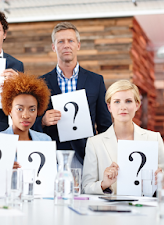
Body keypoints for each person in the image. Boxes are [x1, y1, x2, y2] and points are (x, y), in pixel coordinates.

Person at [33, 22, 112, 169]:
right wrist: (43, 120)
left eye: (70, 41)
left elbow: (105, 125)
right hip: (52, 156)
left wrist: (105, 158)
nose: (66, 45)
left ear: (78, 45)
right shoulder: (40, 83)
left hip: (86, 156)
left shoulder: (96, 81)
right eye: (61, 41)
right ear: (53, 47)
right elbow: (30, 123)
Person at [82, 80, 164, 195]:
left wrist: (161, 180)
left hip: (144, 209)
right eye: (117, 102)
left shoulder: (154, 138)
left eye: (128, 101)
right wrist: (104, 183)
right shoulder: (95, 143)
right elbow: (86, 187)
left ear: (137, 105)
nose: (123, 107)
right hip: (109, 211)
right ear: (109, 107)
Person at [0, 73, 52, 169]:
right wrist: (1, 170)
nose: (26, 115)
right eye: (20, 109)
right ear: (10, 110)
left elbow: (53, 173)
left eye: (32, 109)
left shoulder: (45, 140)